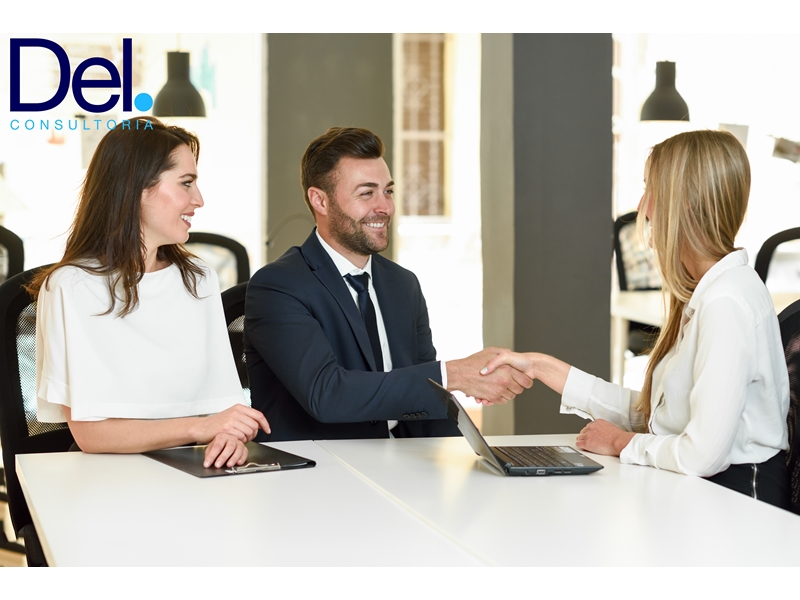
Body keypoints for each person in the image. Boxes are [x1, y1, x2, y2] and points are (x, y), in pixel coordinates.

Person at [482, 130, 790, 508]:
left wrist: (620, 442)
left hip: (739, 504)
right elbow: (657, 416)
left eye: (651, 190)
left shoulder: (726, 302)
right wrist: (540, 367)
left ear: (686, 201)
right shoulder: (709, 291)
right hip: (706, 492)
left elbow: (702, 455)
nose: (642, 207)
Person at [244, 127, 531, 441]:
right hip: (319, 462)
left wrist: (469, 454)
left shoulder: (402, 284)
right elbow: (327, 394)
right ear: (320, 201)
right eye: (367, 193)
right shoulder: (278, 286)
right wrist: (454, 374)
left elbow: (428, 397)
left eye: (388, 191)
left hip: (399, 456)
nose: (385, 207)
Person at [29, 117, 270, 469]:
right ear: (137, 187)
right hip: (108, 478)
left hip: (194, 470)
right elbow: (92, 435)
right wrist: (200, 428)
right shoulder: (72, 287)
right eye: (186, 183)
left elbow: (222, 406)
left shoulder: (198, 278)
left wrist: (229, 437)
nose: (199, 199)